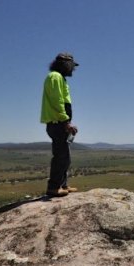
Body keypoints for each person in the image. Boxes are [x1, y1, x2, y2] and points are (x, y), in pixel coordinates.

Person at [41, 53, 80, 197]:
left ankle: (63, 184)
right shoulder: (55, 77)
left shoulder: (60, 78)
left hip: (60, 123)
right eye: (72, 66)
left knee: (65, 156)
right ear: (65, 64)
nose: (73, 69)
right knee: (61, 156)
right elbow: (57, 101)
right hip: (58, 123)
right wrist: (66, 121)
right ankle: (53, 187)